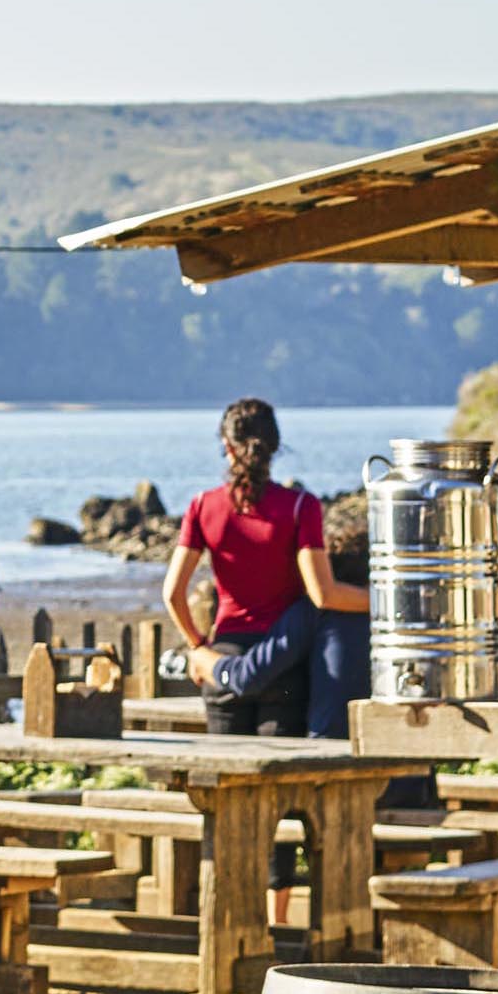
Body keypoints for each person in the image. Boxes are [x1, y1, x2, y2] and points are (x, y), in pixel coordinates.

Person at [163, 396, 372, 933]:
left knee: (226, 804)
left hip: (224, 662)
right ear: (274, 447)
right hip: (282, 664)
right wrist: (390, 600)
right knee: (278, 806)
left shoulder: (202, 506)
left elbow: (172, 593)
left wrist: (198, 647)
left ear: (227, 447)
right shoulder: (300, 508)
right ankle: (275, 931)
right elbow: (322, 594)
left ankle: (228, 927)